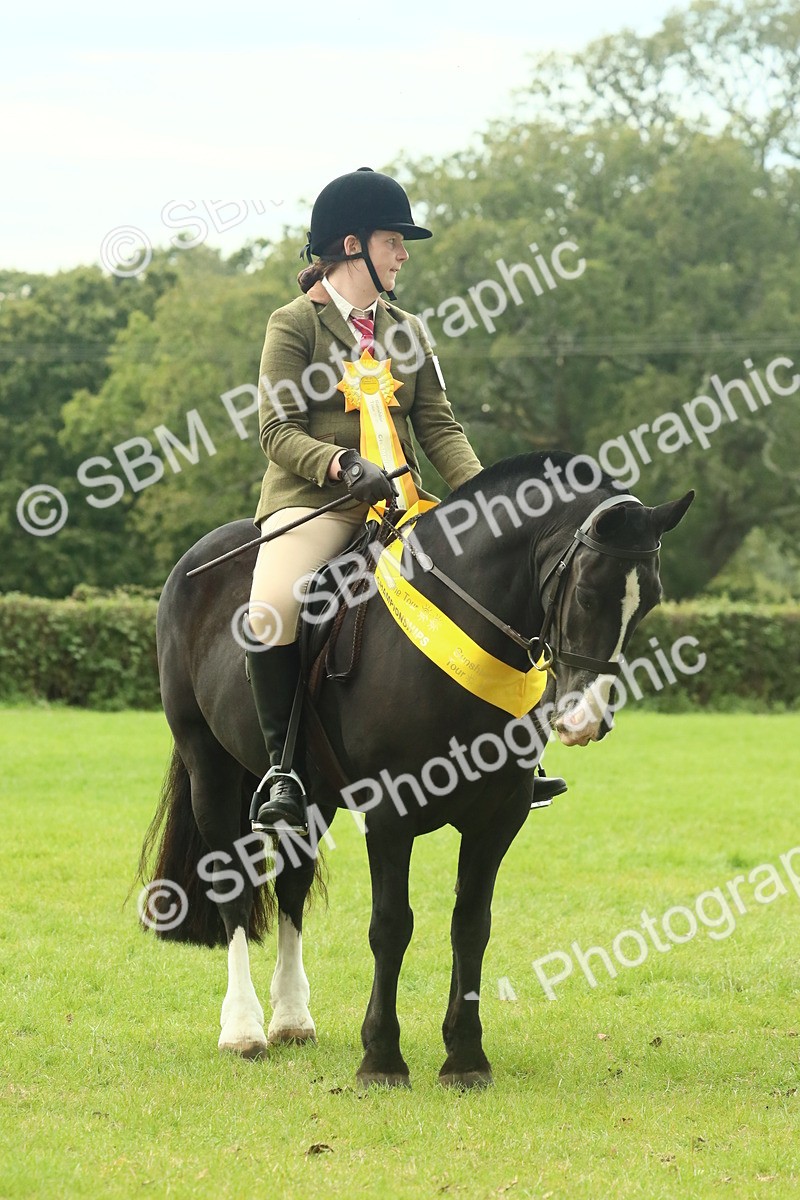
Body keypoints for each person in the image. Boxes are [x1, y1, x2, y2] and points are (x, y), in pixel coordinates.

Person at [247, 167, 565, 835]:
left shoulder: (409, 330)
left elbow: (439, 425)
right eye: (395, 241)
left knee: (500, 594)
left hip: (405, 505)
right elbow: (276, 431)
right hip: (318, 503)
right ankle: (283, 769)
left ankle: (512, 761)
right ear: (354, 245)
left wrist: (487, 501)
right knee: (272, 608)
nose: (405, 254)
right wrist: (338, 463)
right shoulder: (292, 326)